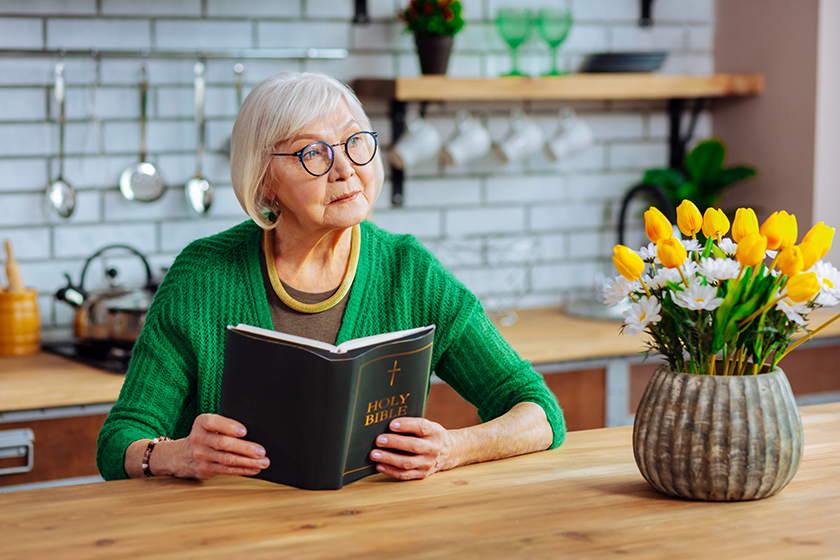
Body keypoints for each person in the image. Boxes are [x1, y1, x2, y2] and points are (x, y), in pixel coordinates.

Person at [96, 71, 565, 482]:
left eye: (355, 142)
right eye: (313, 154)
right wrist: (174, 455)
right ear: (265, 182)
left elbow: (538, 412)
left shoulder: (410, 272)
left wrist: (452, 450)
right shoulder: (203, 274)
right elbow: (121, 440)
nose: (345, 170)